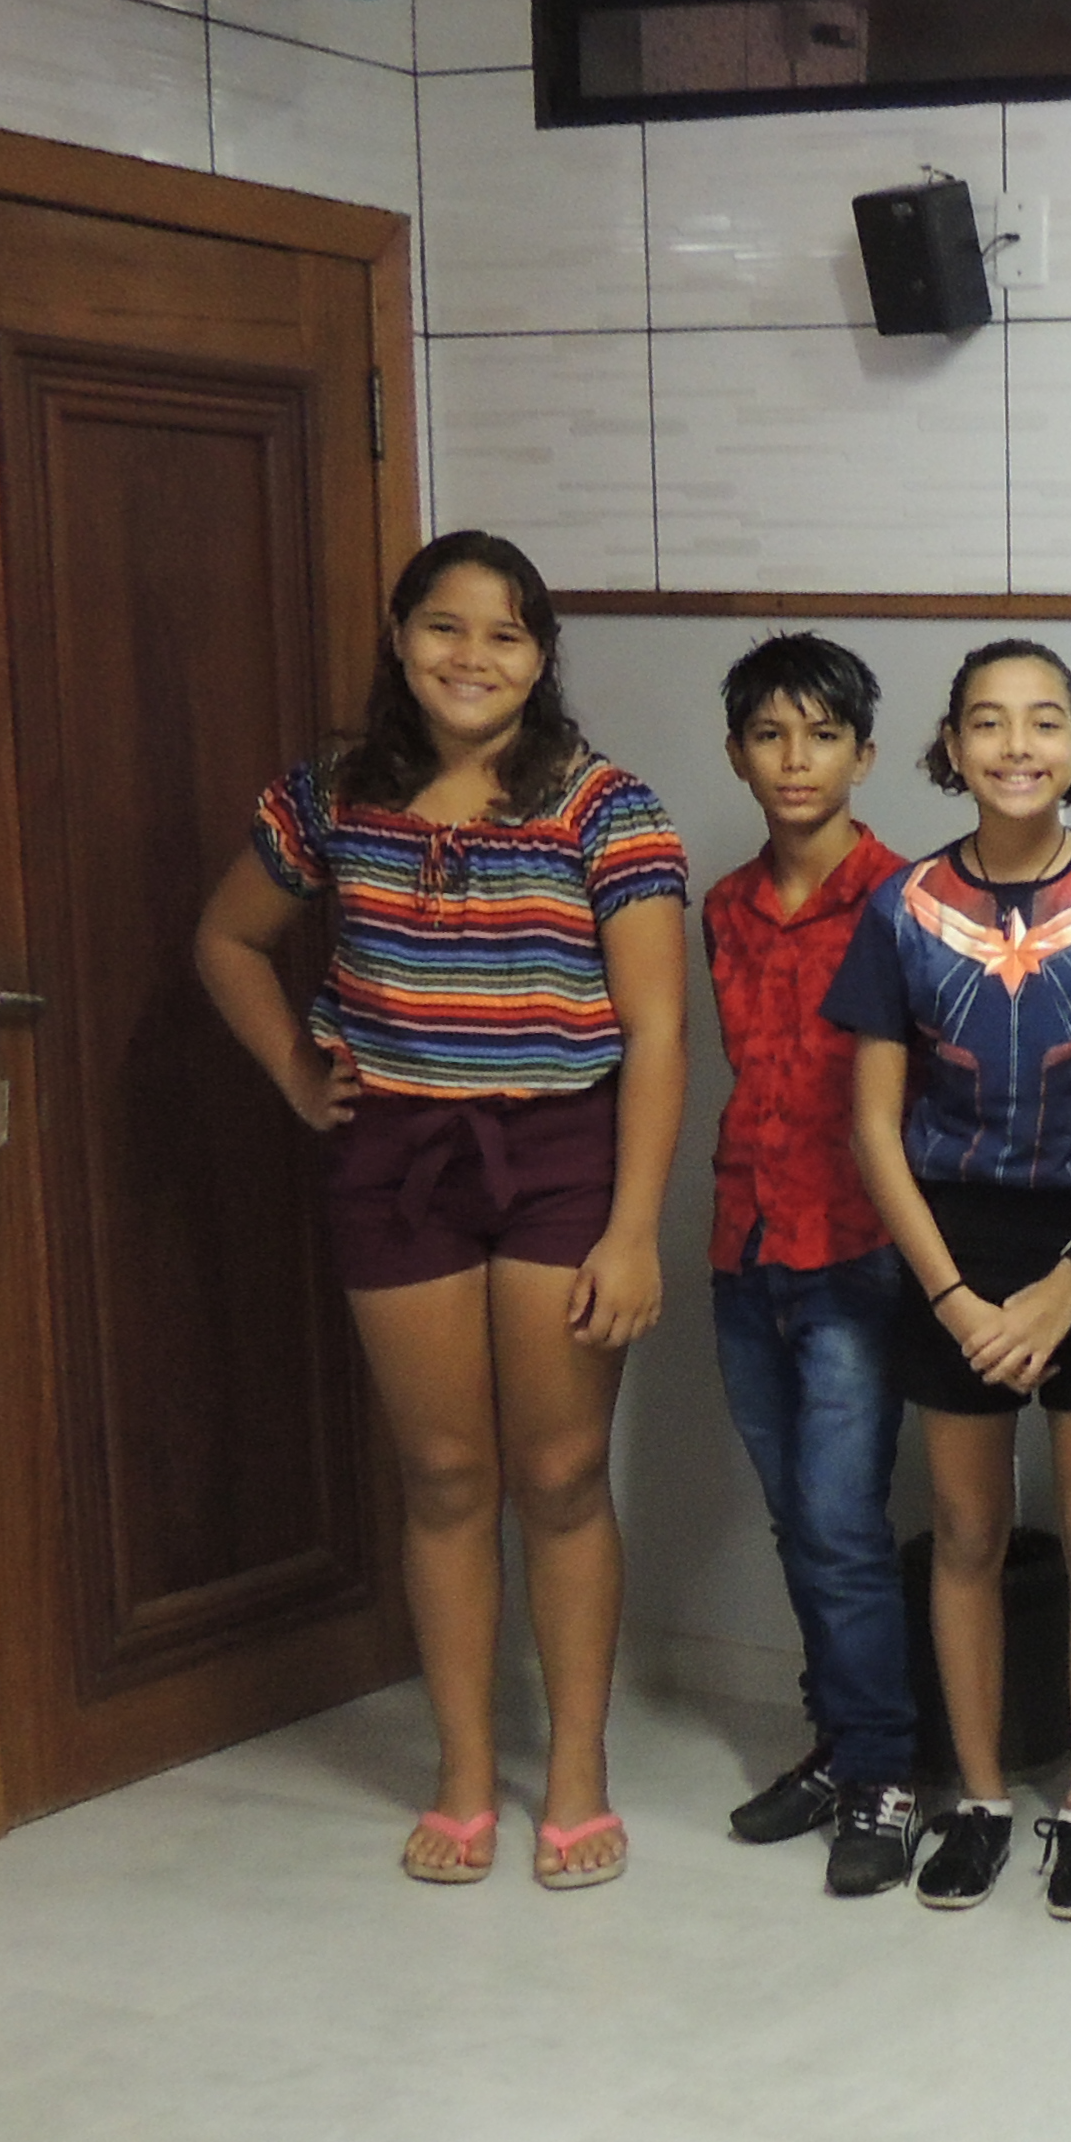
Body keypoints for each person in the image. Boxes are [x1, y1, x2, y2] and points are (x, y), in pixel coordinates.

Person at [193, 530, 688, 1891]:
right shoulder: (331, 796)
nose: (473, 657)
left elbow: (658, 1033)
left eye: (506, 635)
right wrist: (300, 1077)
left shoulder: (607, 808)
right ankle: (464, 1774)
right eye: (446, 628)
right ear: (400, 636)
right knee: (446, 1476)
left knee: (561, 1474)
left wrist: (633, 1229)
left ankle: (575, 1775)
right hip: (394, 1159)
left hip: (564, 1158)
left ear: (542, 658)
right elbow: (227, 941)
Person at [833, 640, 1071, 1923]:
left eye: (1045, 722)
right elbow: (875, 1129)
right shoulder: (902, 905)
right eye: (989, 722)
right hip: (954, 1245)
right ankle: (979, 1797)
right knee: (967, 1532)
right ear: (952, 747)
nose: (1018, 745)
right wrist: (953, 1299)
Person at [694, 631, 931, 1893]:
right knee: (798, 1519)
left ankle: (887, 1770)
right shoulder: (724, 909)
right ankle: (839, 1746)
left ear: (864, 756)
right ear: (737, 754)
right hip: (745, 1246)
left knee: (842, 1523)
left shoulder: (906, 901)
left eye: (823, 736)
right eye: (771, 736)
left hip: (856, 1251)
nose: (797, 759)